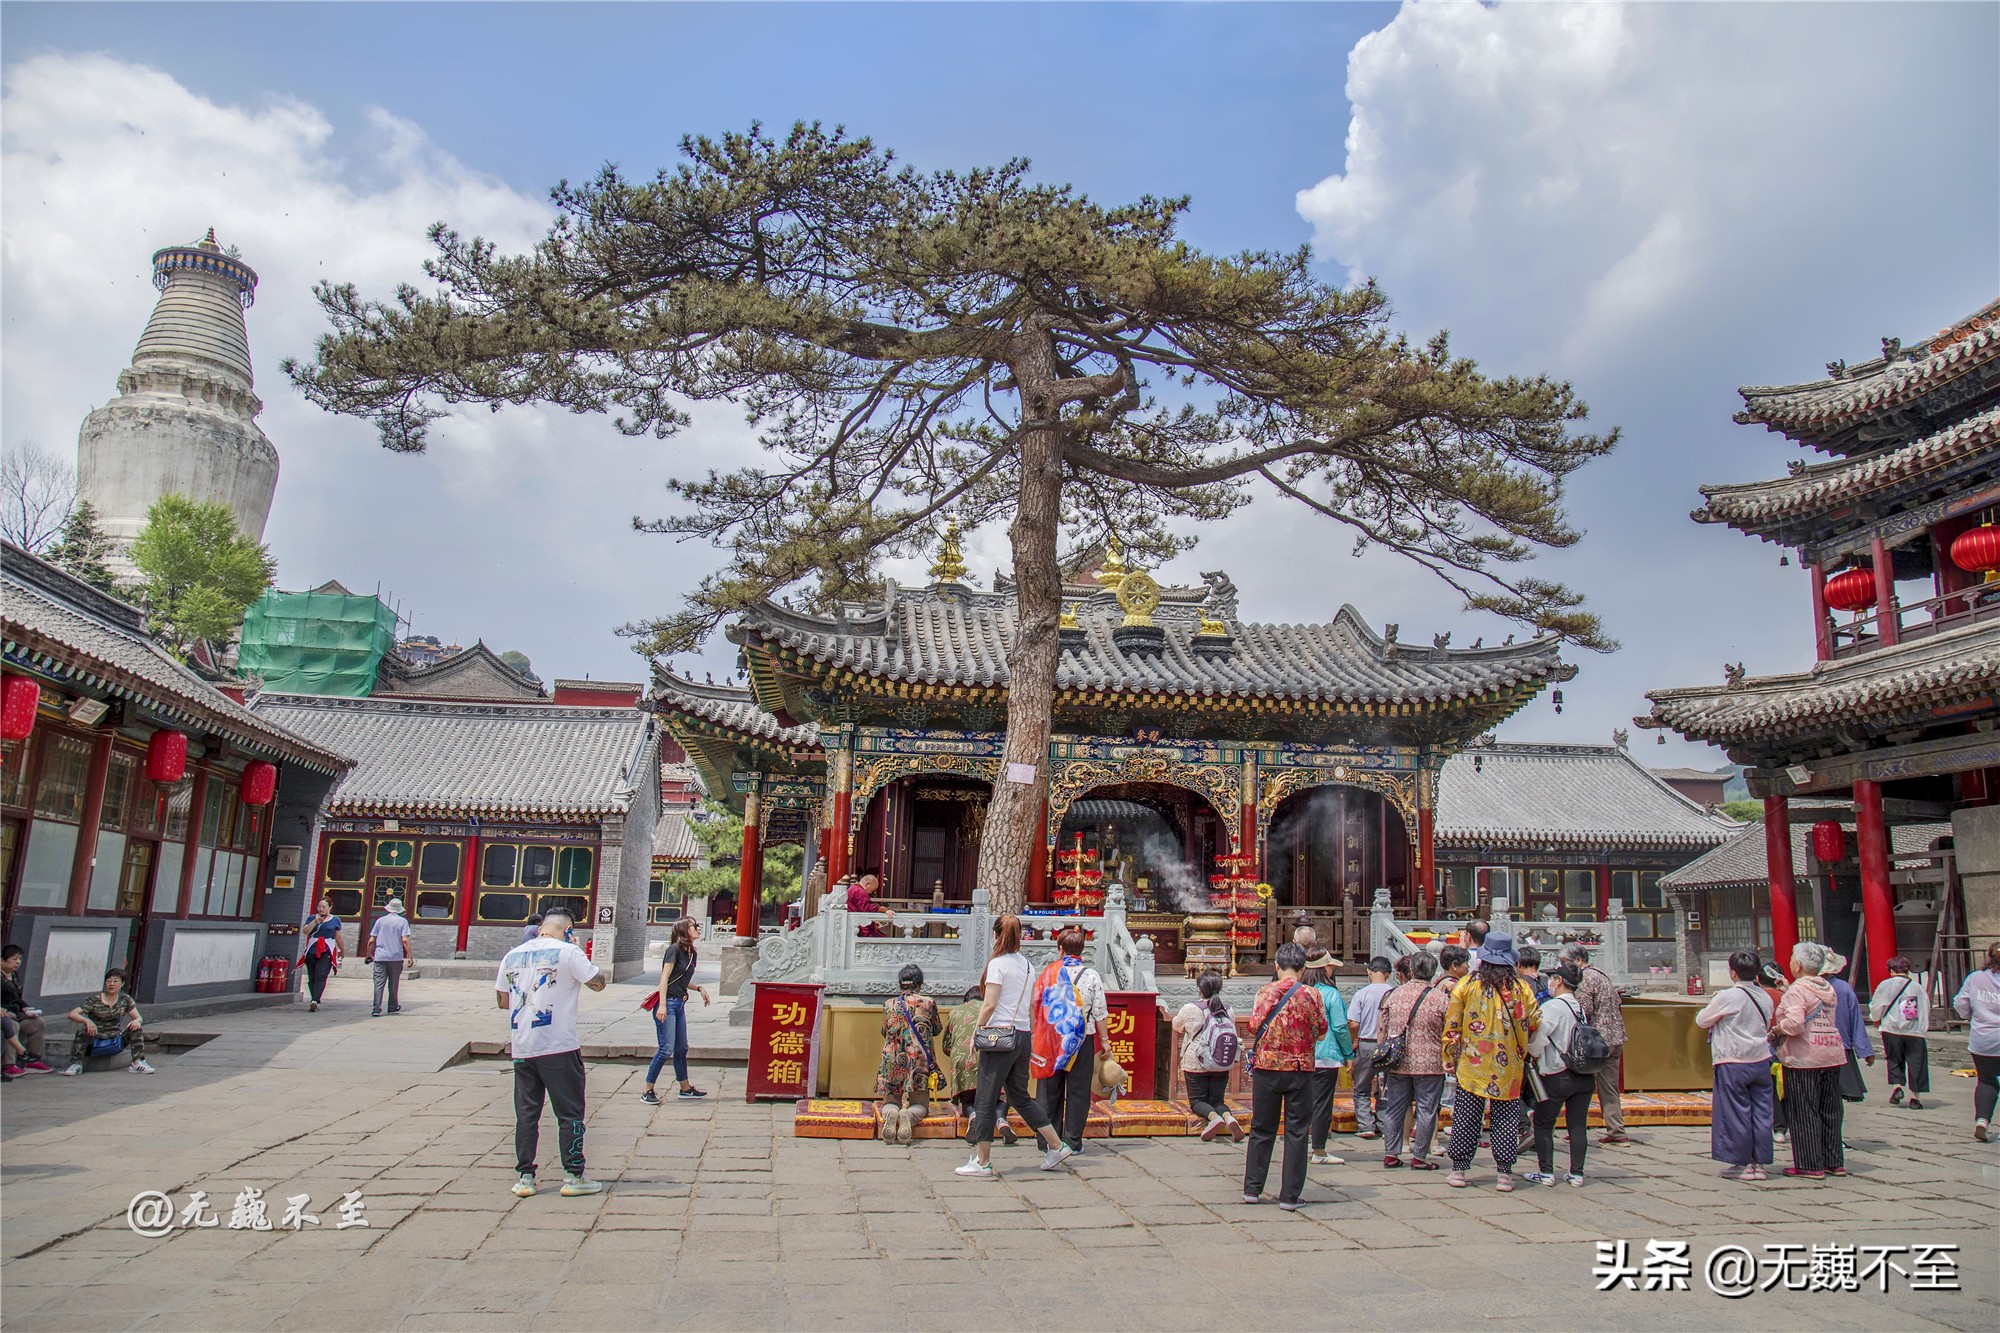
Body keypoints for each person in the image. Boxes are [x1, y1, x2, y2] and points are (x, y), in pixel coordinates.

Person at [496, 909, 607, 1197]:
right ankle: (573, 1174)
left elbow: (501, 1000)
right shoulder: (568, 951)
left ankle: (524, 1177)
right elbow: (598, 983)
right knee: (570, 1113)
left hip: (523, 1045)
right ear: (568, 929)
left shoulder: (513, 955)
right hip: (559, 1045)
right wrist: (577, 952)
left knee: (527, 1113)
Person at [958, 914, 1071, 1177]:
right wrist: (1030, 1034)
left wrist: (977, 1031)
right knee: (1019, 1096)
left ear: (996, 936)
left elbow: (990, 1004)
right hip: (1021, 1035)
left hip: (999, 1037)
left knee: (985, 1098)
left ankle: (983, 1160)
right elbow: (1030, 1006)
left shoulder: (998, 965)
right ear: (1019, 936)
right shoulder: (1028, 966)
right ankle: (1056, 1144)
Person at [1441, 934, 1539, 1191]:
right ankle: (1504, 1174)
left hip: (1473, 1063)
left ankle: (1459, 1170)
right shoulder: (1520, 988)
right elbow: (1534, 1020)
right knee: (1505, 1118)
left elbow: (1452, 1024)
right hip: (1509, 1065)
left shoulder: (1467, 985)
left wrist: (1448, 1055)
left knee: (1466, 1116)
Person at [1242, 941, 1328, 1211]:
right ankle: (1290, 1196)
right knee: (1297, 1131)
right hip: (1300, 1069)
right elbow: (1321, 1030)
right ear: (1303, 969)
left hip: (1267, 1067)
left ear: (1277, 966)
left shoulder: (1265, 992)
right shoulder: (1312, 994)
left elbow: (1254, 1025)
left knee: (1262, 1128)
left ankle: (1252, 1189)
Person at [1696, 949, 1776, 1182]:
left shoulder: (1727, 996)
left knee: (1736, 1112)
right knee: (1761, 1113)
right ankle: (1759, 1163)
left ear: (1732, 973)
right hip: (1760, 1058)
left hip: (1733, 1059)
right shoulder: (1764, 996)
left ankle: (1742, 1164)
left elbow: (1702, 1020)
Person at [1031, 927, 1111, 1155]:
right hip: (1081, 1038)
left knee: (1049, 1091)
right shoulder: (1091, 975)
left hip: (1053, 1040)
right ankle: (1073, 1141)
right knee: (1078, 1091)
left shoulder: (1049, 973)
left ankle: (1048, 1141)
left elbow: (1038, 1006)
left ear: (1060, 950)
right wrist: (1105, 1040)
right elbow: (1100, 1012)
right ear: (1082, 950)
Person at [1773, 941, 1848, 1179]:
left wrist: (1777, 1029)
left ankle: (1809, 1163)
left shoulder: (1798, 990)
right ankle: (1833, 1160)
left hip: (1804, 1056)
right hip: (1830, 1052)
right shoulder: (1826, 986)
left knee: (1804, 1110)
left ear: (1799, 964)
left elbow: (1795, 1025)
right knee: (1830, 1109)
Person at [1378, 952, 1450, 1170]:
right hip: (1430, 1061)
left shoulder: (1395, 994)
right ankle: (1419, 1156)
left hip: (1398, 1060)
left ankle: (1391, 1152)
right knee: (1426, 1109)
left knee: (1394, 1108)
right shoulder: (1439, 998)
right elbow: (1450, 1030)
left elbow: (1384, 1025)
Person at [1523, 961, 1593, 1187]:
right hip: (1583, 1074)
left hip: (1557, 1072)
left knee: (1543, 1123)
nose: (1550, 982)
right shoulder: (1579, 1007)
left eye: (1552, 978)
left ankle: (1546, 1172)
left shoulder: (1553, 1007)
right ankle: (1577, 1174)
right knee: (1577, 1125)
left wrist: (1530, 1053)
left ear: (1559, 981)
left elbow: (1539, 1038)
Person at [1563, 942, 1629, 1146]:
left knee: (1580, 1086)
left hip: (1595, 1042)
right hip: (1614, 1038)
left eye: (1566, 963)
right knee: (1609, 1087)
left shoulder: (1585, 978)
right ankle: (1617, 1131)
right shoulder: (1602, 975)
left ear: (1579, 961)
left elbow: (1582, 1010)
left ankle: (1577, 1128)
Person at [641, 918, 711, 1104]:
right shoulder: (674, 950)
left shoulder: (691, 953)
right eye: (693, 926)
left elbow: (680, 979)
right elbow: (664, 978)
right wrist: (662, 1005)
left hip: (679, 1003)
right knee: (666, 1049)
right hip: (668, 1004)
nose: (697, 929)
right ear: (683, 930)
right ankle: (648, 1090)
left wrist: (698, 988)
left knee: (682, 1048)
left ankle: (685, 1088)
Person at [943, 983, 1017, 1145]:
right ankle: (1002, 1121)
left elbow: (946, 1046)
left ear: (966, 1000)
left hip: (963, 1060)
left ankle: (973, 1115)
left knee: (968, 1098)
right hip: (991, 1059)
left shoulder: (955, 1012)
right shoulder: (995, 1010)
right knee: (1000, 1097)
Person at [1173, 970, 1243, 1142]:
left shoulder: (1190, 1008)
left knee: (1197, 1101)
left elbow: (1176, 1026)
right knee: (1217, 1099)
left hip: (1196, 1061)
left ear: (1200, 988)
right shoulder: (1228, 1009)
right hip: (1220, 1061)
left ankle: (1214, 1118)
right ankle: (1229, 1118)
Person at [878, 964, 942, 1144]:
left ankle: (892, 1113)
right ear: (919, 984)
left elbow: (884, 1030)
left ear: (900, 984)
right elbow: (936, 1029)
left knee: (891, 1100)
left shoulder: (889, 1004)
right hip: (919, 1061)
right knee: (920, 1104)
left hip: (893, 1060)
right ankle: (909, 1116)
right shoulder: (928, 1003)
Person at [1304, 950, 1354, 1165]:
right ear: (1324, 968)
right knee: (1322, 1104)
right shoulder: (1330, 994)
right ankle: (1319, 1150)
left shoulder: (1300, 991)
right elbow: (1341, 1027)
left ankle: (1299, 1144)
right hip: (1326, 1055)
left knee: (1301, 1102)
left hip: (1301, 1055)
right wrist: (1348, 1053)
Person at [61, 968, 153, 1075]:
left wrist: (137, 1021)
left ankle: (138, 1062)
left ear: (122, 983)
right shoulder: (94, 1000)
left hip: (115, 1040)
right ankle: (76, 1064)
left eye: (116, 981)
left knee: (136, 1028)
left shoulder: (125, 999)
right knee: (83, 1030)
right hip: (94, 1040)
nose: (112, 984)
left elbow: (138, 1017)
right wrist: (87, 1021)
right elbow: (72, 1014)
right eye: (109, 981)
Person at [1953, 941, 2000, 1142]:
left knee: (1986, 1081)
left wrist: (1971, 1016)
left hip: (1983, 1038)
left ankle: (1982, 1121)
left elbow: (1961, 1004)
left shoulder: (1976, 978)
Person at [1869, 955, 1930, 1111]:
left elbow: (1877, 1006)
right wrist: (1923, 1027)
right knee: (1917, 1062)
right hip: (1914, 1030)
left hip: (1891, 1028)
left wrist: (1875, 1018)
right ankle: (1915, 1097)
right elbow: (1925, 1007)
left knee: (1894, 1058)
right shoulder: (1917, 987)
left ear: (1891, 970)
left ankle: (1897, 1087)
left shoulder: (1886, 985)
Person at [1346, 956, 1393, 1141]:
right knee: (1385, 1088)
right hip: (1388, 1046)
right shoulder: (1394, 992)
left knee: (1362, 1088)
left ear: (1369, 972)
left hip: (1366, 1043)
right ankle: (1385, 1124)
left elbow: (1353, 1023)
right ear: (1388, 974)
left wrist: (1353, 1040)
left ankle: (1365, 1125)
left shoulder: (1362, 993)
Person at [1822, 952, 1874, 1105]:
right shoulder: (1843, 988)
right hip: (1841, 1044)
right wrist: (1864, 1050)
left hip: (1815, 1046)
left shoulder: (1804, 988)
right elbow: (1856, 1020)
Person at [1, 944, 52, 1072]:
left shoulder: (14, 976)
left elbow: (18, 999)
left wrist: (26, 1008)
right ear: (2, 960)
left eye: (19, 959)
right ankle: (8, 1065)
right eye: (14, 959)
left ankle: (34, 1061)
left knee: (38, 1023)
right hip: (5, 1016)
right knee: (12, 1026)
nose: (17, 962)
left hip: (17, 1014)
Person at [1759, 961, 1792, 1143]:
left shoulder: (1757, 997)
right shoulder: (1788, 997)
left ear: (1758, 978)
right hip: (1788, 1047)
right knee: (1787, 1086)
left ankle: (1778, 1127)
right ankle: (1791, 1123)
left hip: (1765, 1048)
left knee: (1771, 1089)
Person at [365, 898, 414, 1017]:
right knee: (394, 983)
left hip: (380, 956)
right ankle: (392, 1006)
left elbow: (371, 940)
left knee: (378, 983)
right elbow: (404, 940)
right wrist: (409, 956)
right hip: (395, 957)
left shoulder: (380, 921)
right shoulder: (402, 922)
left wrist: (368, 954)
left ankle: (376, 1008)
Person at [298, 898, 343, 1012]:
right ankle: (315, 998)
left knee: (321, 975)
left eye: (324, 907)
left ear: (329, 907)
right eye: (319, 907)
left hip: (326, 950)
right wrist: (315, 922)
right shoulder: (312, 918)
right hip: (312, 949)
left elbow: (338, 937)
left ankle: (315, 1000)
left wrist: (342, 950)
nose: (321, 909)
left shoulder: (335, 920)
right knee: (312, 977)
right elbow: (305, 931)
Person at [846, 873, 898, 938]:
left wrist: (872, 921)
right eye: (872, 890)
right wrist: (884, 910)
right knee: (885, 941)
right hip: (859, 928)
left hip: (856, 924)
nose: (871, 893)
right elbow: (867, 908)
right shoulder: (859, 891)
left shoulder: (854, 889)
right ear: (867, 884)